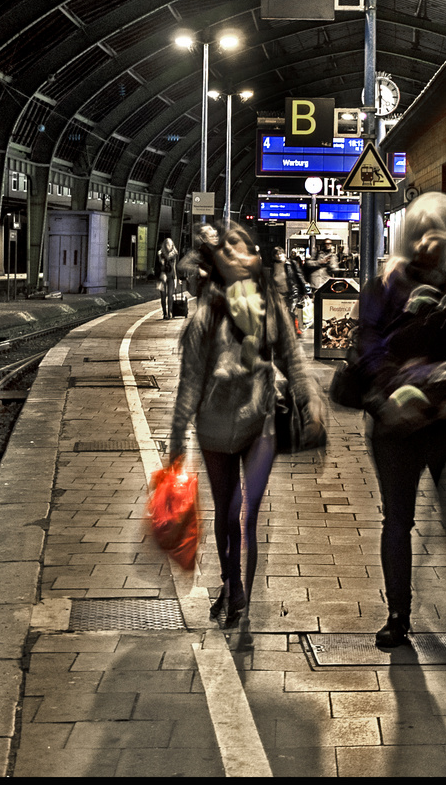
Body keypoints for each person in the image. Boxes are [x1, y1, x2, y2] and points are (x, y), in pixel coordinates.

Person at [357, 192, 446, 649]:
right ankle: (398, 616)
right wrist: (394, 392)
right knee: (398, 519)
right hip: (394, 427)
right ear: (408, 238)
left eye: (438, 235)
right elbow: (366, 349)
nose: (428, 245)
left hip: (440, 425)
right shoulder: (383, 287)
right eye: (420, 235)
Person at [169, 218, 327, 628]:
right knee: (227, 510)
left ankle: (243, 594)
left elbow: (293, 357)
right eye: (230, 249)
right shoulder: (207, 311)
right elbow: (189, 380)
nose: (241, 254)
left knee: (249, 512)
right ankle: (229, 580)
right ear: (219, 261)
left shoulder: (270, 303)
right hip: (215, 426)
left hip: (260, 420)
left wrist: (310, 400)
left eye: (245, 247)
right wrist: (175, 442)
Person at [157, 235, 180, 319]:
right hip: (162, 277)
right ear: (164, 245)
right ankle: (164, 313)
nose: (168, 246)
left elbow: (175, 267)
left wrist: (177, 278)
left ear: (172, 245)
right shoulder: (160, 254)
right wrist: (161, 266)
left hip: (170, 276)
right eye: (167, 244)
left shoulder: (174, 254)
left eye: (169, 245)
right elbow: (156, 267)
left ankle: (169, 313)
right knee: (163, 296)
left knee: (170, 295)